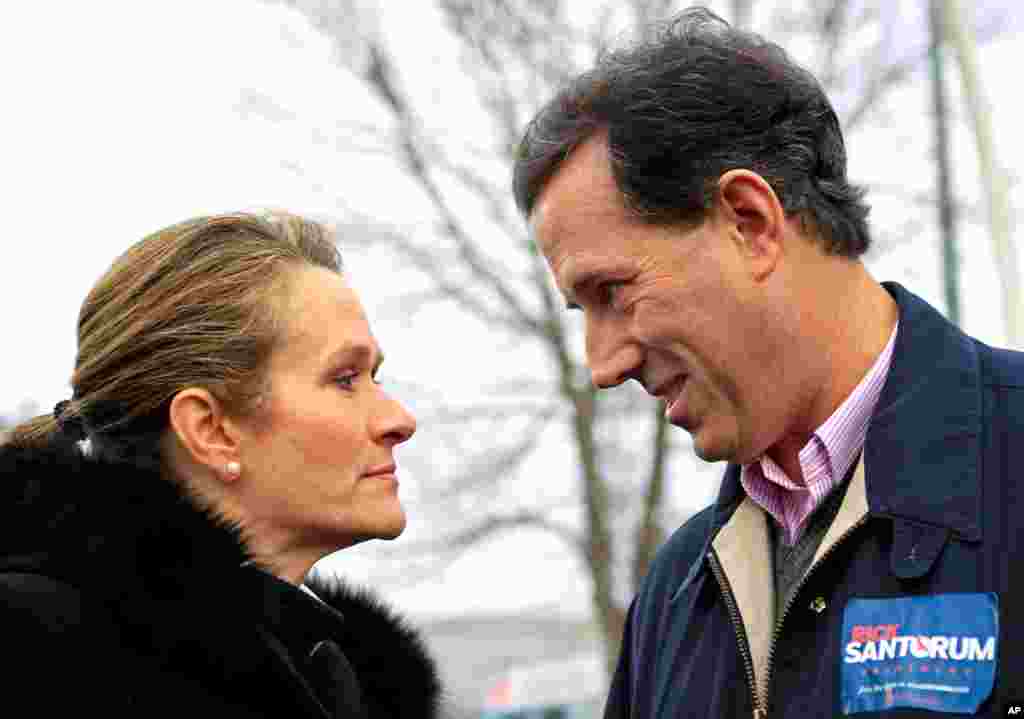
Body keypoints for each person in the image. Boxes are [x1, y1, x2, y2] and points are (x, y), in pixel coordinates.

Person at [514, 8, 1020, 718]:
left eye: (612, 292)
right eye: (582, 310)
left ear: (749, 222)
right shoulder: (672, 597)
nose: (602, 363)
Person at [0, 213, 440, 718]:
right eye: (344, 378)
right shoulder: (36, 655)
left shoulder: (340, 677)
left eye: (374, 377)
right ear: (210, 430)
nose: (398, 420)